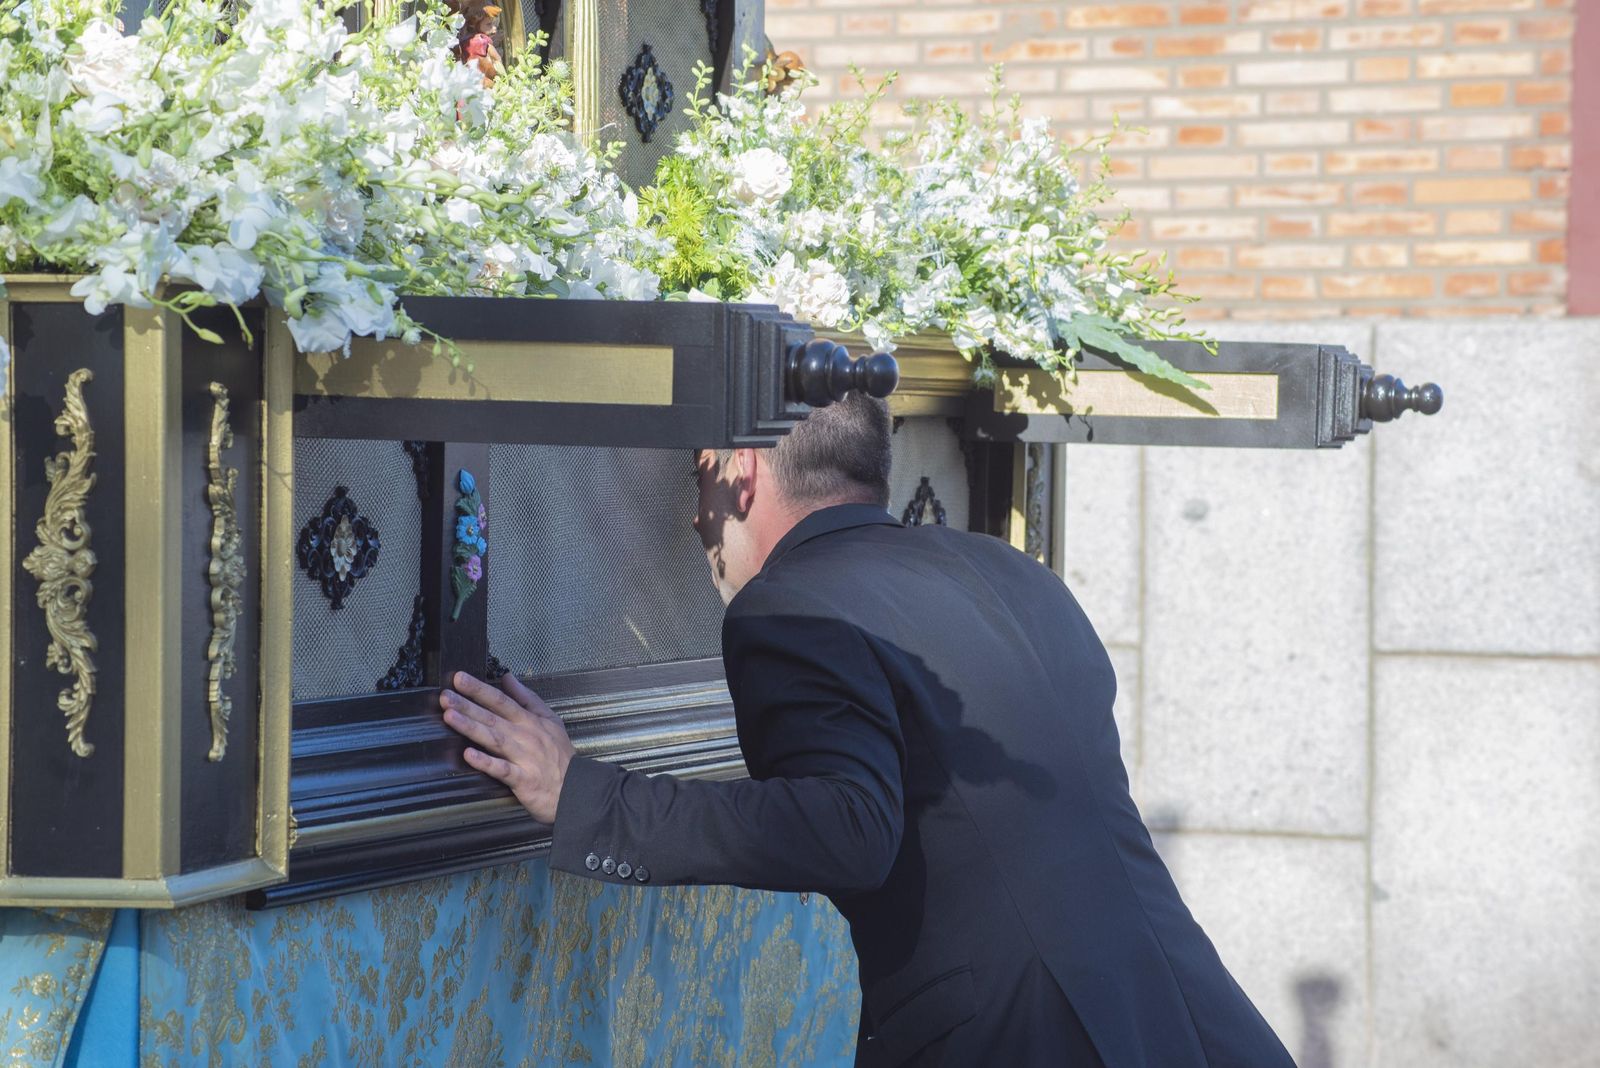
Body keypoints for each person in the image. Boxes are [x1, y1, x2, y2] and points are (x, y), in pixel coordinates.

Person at [438, 394, 1295, 1067]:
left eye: (697, 478)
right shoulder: (1015, 575)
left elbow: (846, 830)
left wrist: (582, 793)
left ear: (738, 468)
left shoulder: (789, 607)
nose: (697, 517)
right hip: (1197, 1022)